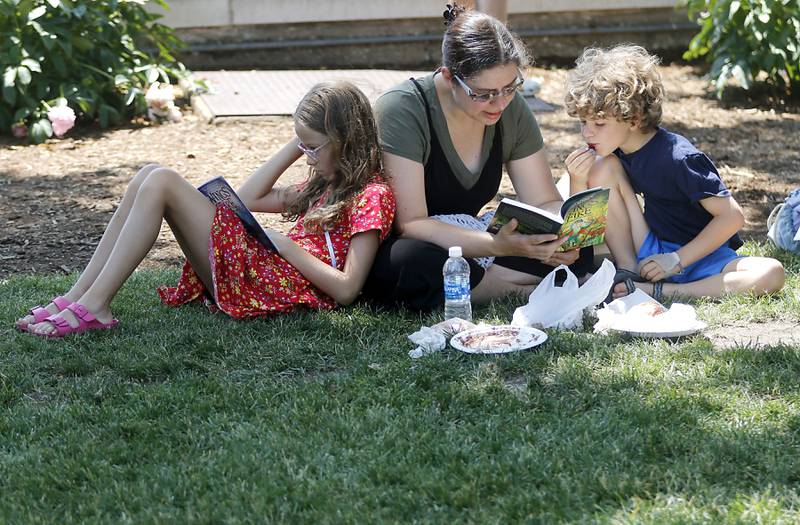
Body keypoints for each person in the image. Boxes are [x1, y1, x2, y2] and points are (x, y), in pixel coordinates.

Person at [17, 81, 396, 337]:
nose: (308, 158)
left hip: (275, 284)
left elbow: (347, 291)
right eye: (304, 148)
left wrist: (285, 246)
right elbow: (246, 199)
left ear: (346, 141)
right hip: (260, 271)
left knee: (162, 180)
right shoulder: (321, 186)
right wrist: (297, 141)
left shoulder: (372, 195)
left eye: (313, 148)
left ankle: (95, 306)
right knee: (149, 175)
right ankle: (78, 297)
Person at [362, 2, 593, 311]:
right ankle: (522, 290)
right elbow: (412, 224)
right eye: (482, 94)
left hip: (479, 242)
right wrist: (497, 246)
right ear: (448, 77)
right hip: (418, 242)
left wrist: (560, 237)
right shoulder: (403, 109)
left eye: (510, 88)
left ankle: (492, 284)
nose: (498, 104)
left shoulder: (511, 109)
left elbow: (542, 201)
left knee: (582, 250)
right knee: (407, 263)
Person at [563, 44, 784, 301]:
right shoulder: (611, 156)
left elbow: (732, 217)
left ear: (633, 118)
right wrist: (578, 181)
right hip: (649, 252)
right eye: (583, 122)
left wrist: (677, 260)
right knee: (602, 167)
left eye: (599, 123)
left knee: (771, 272)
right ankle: (629, 272)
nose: (587, 132)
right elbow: (579, 238)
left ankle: (664, 291)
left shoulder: (678, 157)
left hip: (701, 257)